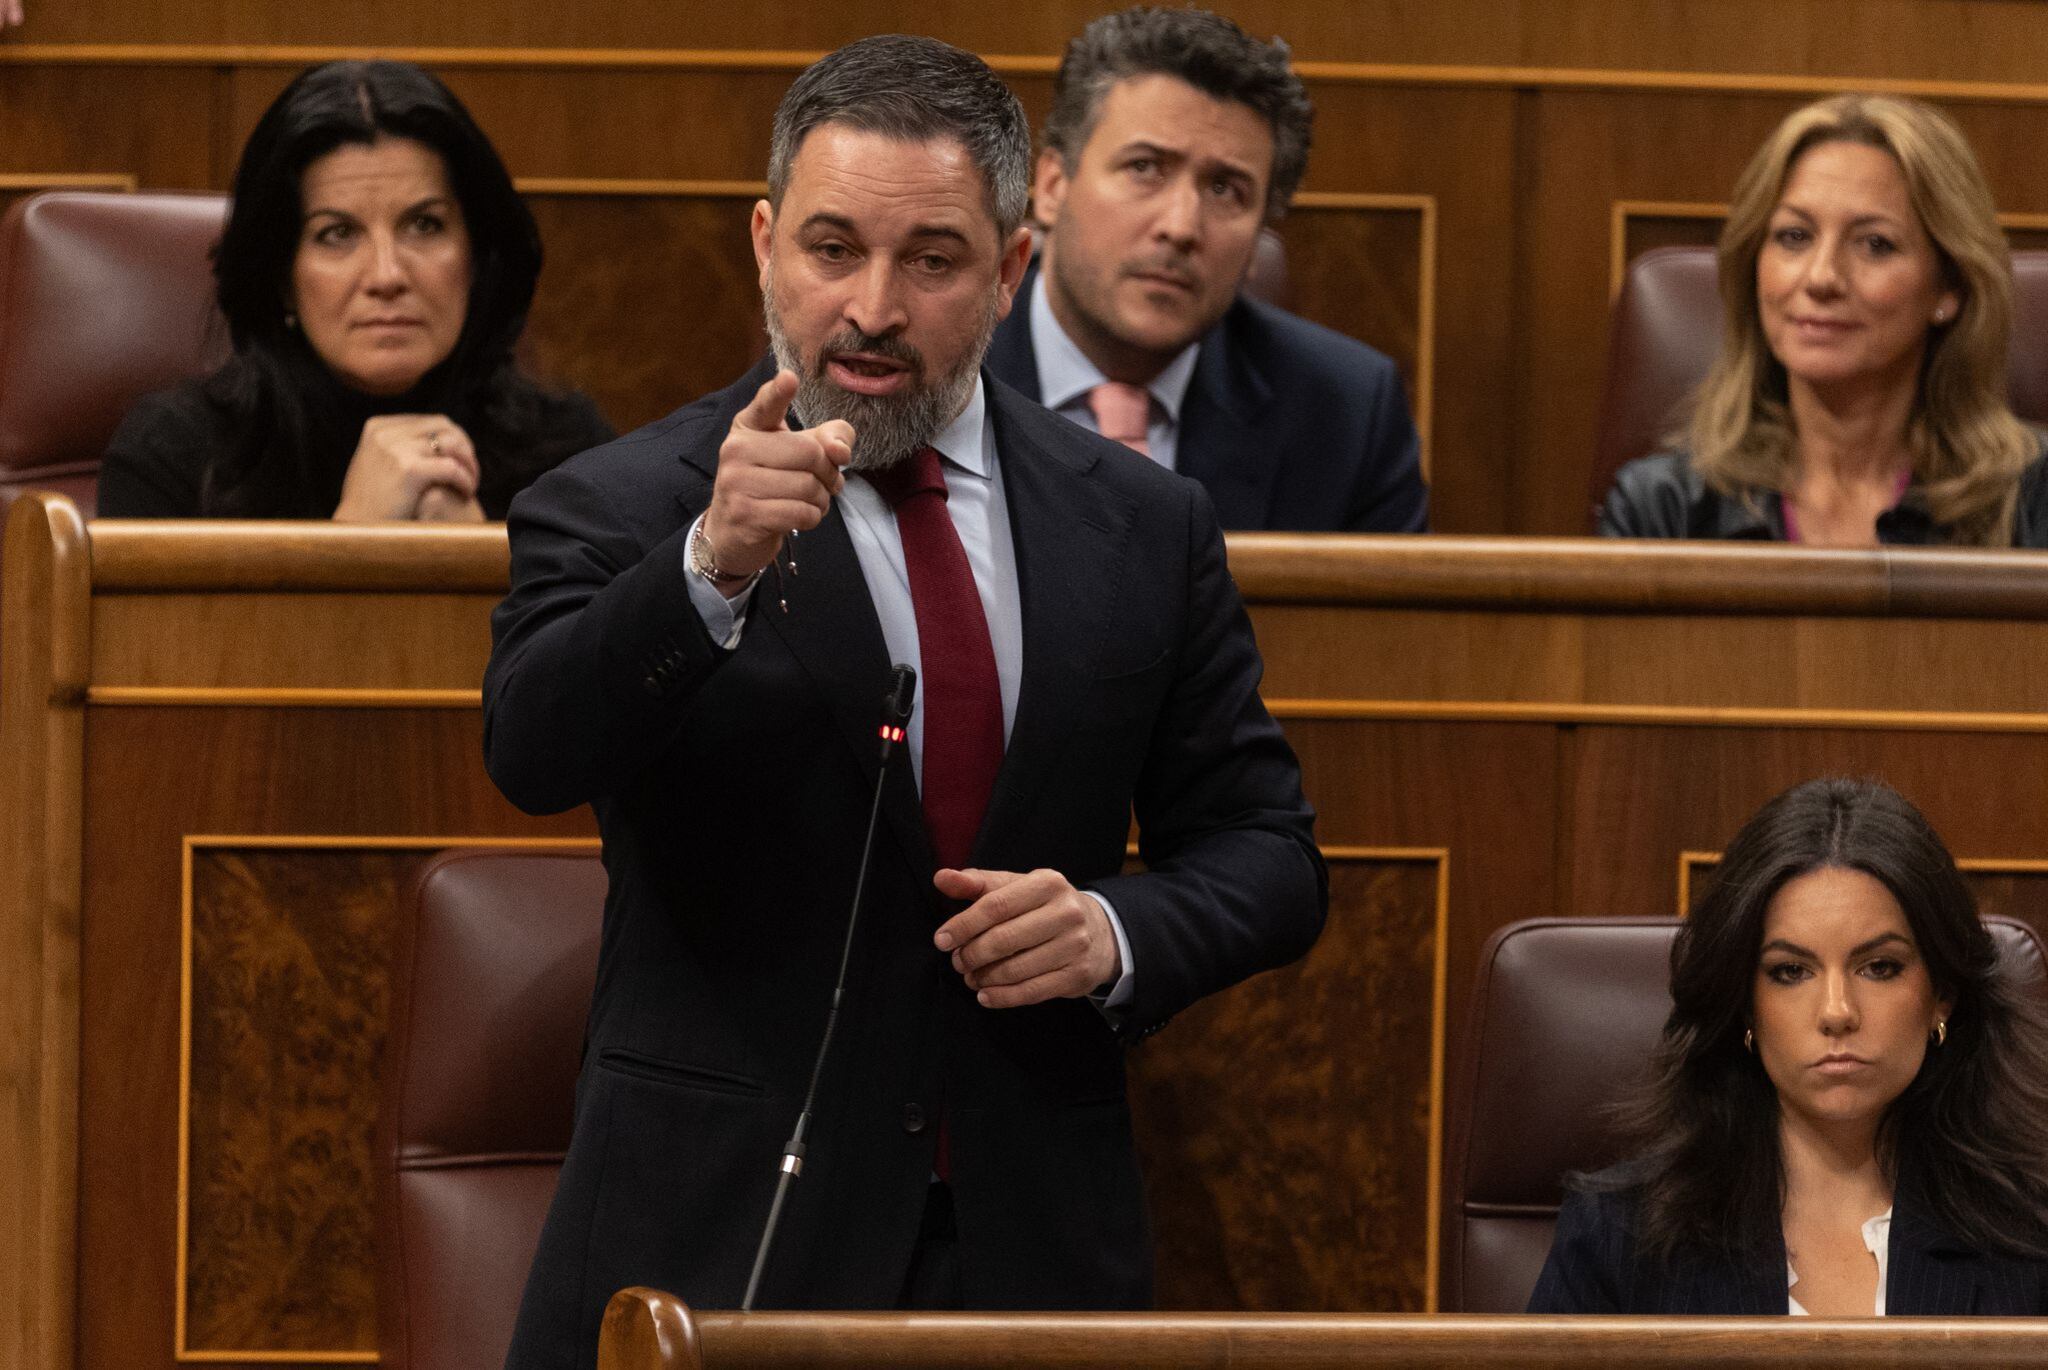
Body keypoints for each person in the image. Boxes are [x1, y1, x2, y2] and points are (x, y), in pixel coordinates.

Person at [484, 33, 1325, 1361]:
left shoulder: (1143, 523)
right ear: (765, 244)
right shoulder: (625, 504)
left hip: (1032, 1242)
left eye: (931, 260)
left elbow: (1267, 853)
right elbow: (533, 748)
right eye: (831, 249)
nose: (871, 307)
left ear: (1009, 267)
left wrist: (1110, 928)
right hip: (718, 1232)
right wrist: (707, 569)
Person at [1529, 777, 2048, 1314]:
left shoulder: (2032, 1232)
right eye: (1791, 971)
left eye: (1879, 967)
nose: (1837, 1012)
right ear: (1745, 1005)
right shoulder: (1618, 1233)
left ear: (1942, 995)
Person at [97, 60, 610, 521]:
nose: (387, 276)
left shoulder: (570, 453)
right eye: (337, 234)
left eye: (425, 225)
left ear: (477, 257)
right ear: (282, 277)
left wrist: (480, 563)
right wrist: (352, 542)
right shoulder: (172, 458)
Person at [984, 6, 1427, 533]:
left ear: (1260, 232)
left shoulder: (1346, 413)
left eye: (1225, 190)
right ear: (1053, 186)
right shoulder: (938, 369)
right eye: (1145, 167)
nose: (1181, 227)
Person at [1600, 94, 2048, 546]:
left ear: (1950, 287)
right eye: (1794, 236)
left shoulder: (2033, 499)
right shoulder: (1660, 510)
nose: (1821, 277)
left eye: (1875, 244)